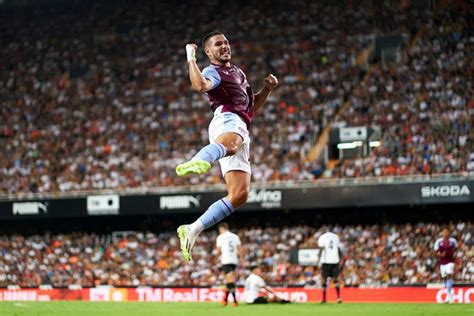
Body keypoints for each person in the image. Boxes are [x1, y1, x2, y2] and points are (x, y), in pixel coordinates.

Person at [176, 31, 278, 261]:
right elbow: (201, 85)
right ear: (208, 52)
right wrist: (191, 58)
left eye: (226, 42)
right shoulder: (214, 71)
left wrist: (268, 89)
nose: (224, 46)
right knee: (230, 144)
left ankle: (192, 229)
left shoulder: (238, 73)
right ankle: (199, 159)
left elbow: (250, 108)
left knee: (240, 194)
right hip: (227, 120)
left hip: (241, 126)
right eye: (218, 44)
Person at [216, 223, 242, 306]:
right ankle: (225, 300)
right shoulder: (235, 236)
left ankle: (235, 301)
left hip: (226, 260)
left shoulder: (221, 237)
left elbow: (218, 251)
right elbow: (239, 249)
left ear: (222, 228)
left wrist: (216, 257)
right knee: (229, 281)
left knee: (230, 281)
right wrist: (240, 259)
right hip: (234, 260)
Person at [317, 229, 344, 303]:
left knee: (324, 279)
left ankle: (324, 299)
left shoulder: (322, 237)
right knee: (335, 279)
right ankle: (338, 298)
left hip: (326, 261)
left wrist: (318, 258)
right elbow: (338, 249)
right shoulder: (336, 237)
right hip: (335, 260)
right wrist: (340, 259)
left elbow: (321, 248)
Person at [433, 228, 457, 303]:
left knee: (449, 276)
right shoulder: (438, 241)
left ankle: (449, 296)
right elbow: (436, 251)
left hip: (450, 262)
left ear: (449, 233)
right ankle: (448, 294)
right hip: (442, 262)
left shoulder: (453, 241)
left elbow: (456, 249)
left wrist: (453, 254)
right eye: (444, 232)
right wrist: (440, 254)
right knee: (445, 278)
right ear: (442, 233)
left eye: (447, 232)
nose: (446, 233)